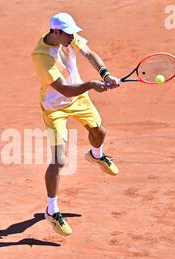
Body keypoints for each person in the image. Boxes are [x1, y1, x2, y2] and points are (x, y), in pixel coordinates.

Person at [31, 12, 120, 236]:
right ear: (56, 32)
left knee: (99, 131)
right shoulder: (41, 56)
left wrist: (105, 74)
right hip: (54, 109)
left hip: (78, 98)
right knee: (59, 160)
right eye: (69, 34)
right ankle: (52, 210)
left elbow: (89, 53)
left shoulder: (68, 38)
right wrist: (91, 85)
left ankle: (96, 155)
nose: (73, 37)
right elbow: (64, 90)